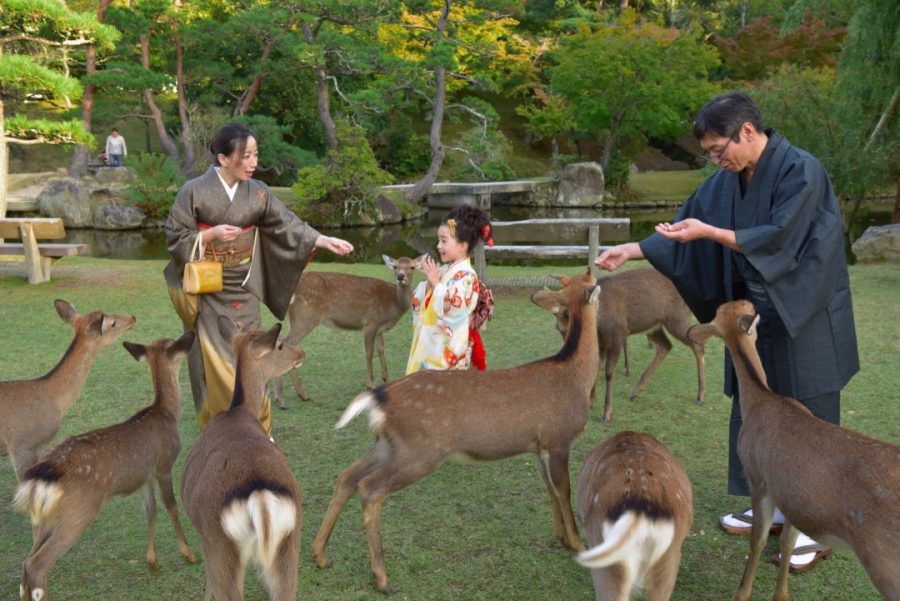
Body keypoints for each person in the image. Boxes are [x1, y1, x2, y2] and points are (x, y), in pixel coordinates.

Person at [595, 91, 859, 574]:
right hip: (755, 317)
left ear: (748, 132)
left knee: (808, 423)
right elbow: (684, 228)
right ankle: (775, 508)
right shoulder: (727, 180)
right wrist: (631, 249)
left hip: (806, 315)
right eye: (710, 154)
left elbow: (783, 239)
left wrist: (712, 234)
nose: (716, 160)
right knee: (760, 410)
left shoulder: (803, 171)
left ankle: (816, 528)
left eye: (719, 150)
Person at [164, 123, 353, 435]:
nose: (253, 162)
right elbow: (174, 234)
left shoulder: (259, 192)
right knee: (219, 362)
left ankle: (258, 429)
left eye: (255, 154)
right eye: (246, 156)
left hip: (245, 286)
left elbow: (287, 223)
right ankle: (222, 431)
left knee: (254, 356)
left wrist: (320, 239)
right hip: (210, 288)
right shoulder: (194, 190)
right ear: (223, 159)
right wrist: (208, 234)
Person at [406, 204, 494, 374]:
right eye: (439, 240)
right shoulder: (447, 271)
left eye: (444, 240)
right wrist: (430, 284)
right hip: (432, 348)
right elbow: (418, 302)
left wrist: (436, 285)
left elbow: (455, 309)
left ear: (463, 245)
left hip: (447, 354)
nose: (439, 245)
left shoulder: (467, 276)